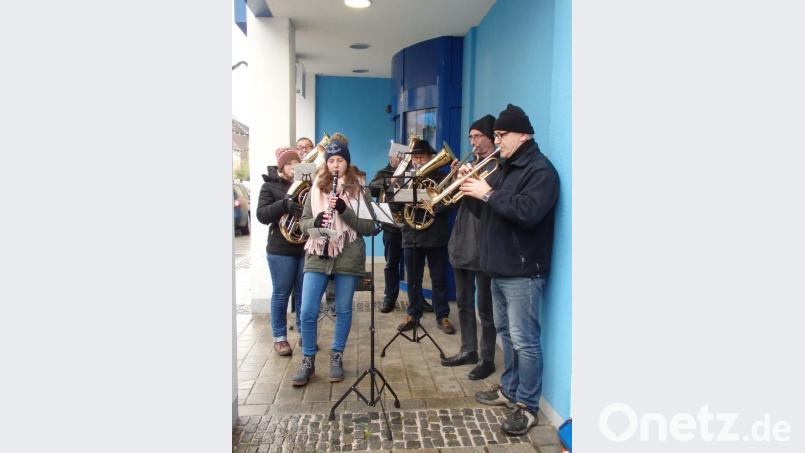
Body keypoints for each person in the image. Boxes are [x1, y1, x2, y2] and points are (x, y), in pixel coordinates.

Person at [459, 104, 560, 436]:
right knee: (506, 335)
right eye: (497, 135)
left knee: (524, 340)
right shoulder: (504, 167)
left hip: (522, 271)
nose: (497, 140)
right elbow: (488, 214)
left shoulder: (541, 172)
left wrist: (487, 192)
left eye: (502, 135)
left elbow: (528, 213)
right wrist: (471, 192)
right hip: (497, 267)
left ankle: (527, 406)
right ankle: (509, 389)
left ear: (524, 135)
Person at [291, 141, 377, 386]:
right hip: (318, 253)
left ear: (347, 161)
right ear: (326, 163)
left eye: (339, 160)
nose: (335, 164)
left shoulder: (359, 188)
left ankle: (336, 356)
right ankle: (307, 359)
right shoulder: (316, 188)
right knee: (307, 310)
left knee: (343, 310)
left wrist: (344, 210)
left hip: (348, 254)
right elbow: (303, 223)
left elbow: (370, 227)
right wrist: (315, 223)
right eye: (331, 160)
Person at [440, 115, 499, 380]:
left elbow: (489, 203)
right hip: (462, 240)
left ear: (490, 137)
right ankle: (468, 349)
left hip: (484, 242)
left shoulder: (499, 168)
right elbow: (451, 203)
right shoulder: (472, 164)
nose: (473, 141)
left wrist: (472, 179)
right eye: (470, 137)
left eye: (477, 136)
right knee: (463, 302)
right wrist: (457, 176)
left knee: (484, 306)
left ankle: (487, 358)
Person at [396, 139, 455, 335]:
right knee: (413, 279)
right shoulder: (405, 177)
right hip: (411, 235)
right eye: (414, 158)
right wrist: (405, 194)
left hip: (435, 234)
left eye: (421, 157)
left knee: (438, 278)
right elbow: (394, 202)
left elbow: (449, 204)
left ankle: (442, 315)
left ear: (431, 157)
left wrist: (428, 203)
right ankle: (413, 314)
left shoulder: (441, 177)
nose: (417, 161)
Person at [256, 147, 305, 356]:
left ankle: (305, 334)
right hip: (280, 248)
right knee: (281, 293)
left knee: (304, 294)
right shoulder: (269, 186)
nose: (294, 167)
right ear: (282, 167)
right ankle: (280, 338)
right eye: (290, 164)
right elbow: (261, 215)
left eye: (297, 163)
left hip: (304, 246)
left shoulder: (307, 185)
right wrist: (285, 204)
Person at [369, 146, 404, 313]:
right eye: (395, 156)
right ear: (390, 157)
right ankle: (390, 297)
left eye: (401, 156)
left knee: (413, 266)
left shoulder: (411, 172)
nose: (398, 159)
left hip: (410, 226)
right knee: (391, 264)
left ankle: (416, 298)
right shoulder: (383, 172)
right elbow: (371, 188)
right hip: (391, 226)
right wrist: (389, 181)